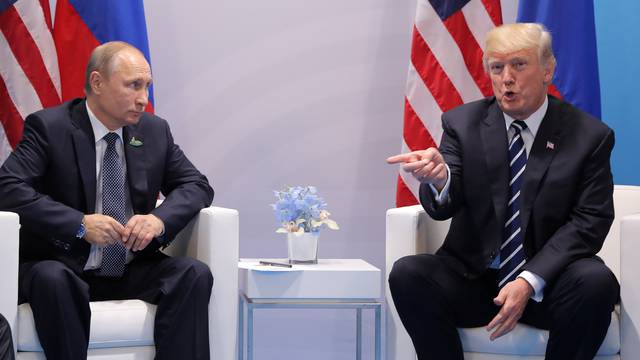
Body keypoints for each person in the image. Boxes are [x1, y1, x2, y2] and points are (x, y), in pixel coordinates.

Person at [386, 23, 618, 360]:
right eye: (497, 67)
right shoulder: (462, 123)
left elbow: (590, 222)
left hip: (548, 283)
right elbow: (444, 202)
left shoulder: (589, 136)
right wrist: (440, 180)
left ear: (548, 70)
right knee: (409, 274)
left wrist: (528, 280)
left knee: (596, 282)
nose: (506, 78)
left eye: (519, 65)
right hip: (474, 280)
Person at [0, 41, 214, 360]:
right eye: (133, 86)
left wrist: (158, 220)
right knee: (52, 278)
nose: (144, 99)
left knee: (193, 273)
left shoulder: (154, 131)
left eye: (147, 87)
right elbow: (7, 186)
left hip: (128, 267)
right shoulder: (51, 127)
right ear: (97, 82)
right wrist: (78, 224)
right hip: (63, 265)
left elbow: (196, 185)